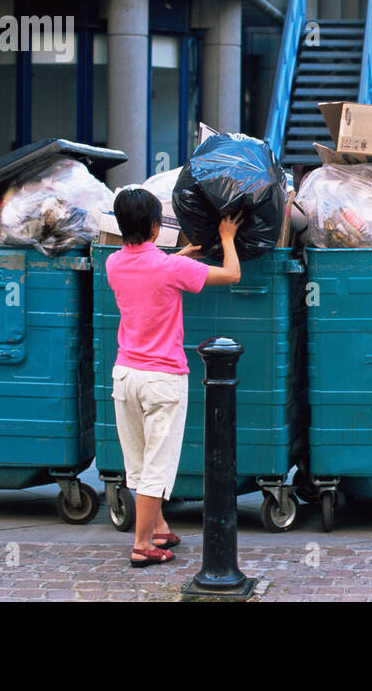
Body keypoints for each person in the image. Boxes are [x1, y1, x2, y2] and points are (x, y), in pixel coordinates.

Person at [105, 187, 243, 567]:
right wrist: (228, 237)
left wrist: (177, 258)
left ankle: (160, 527)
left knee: (137, 463)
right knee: (157, 467)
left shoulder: (113, 264)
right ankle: (143, 544)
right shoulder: (170, 268)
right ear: (154, 226)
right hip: (163, 379)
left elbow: (148, 272)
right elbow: (232, 274)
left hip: (125, 376)